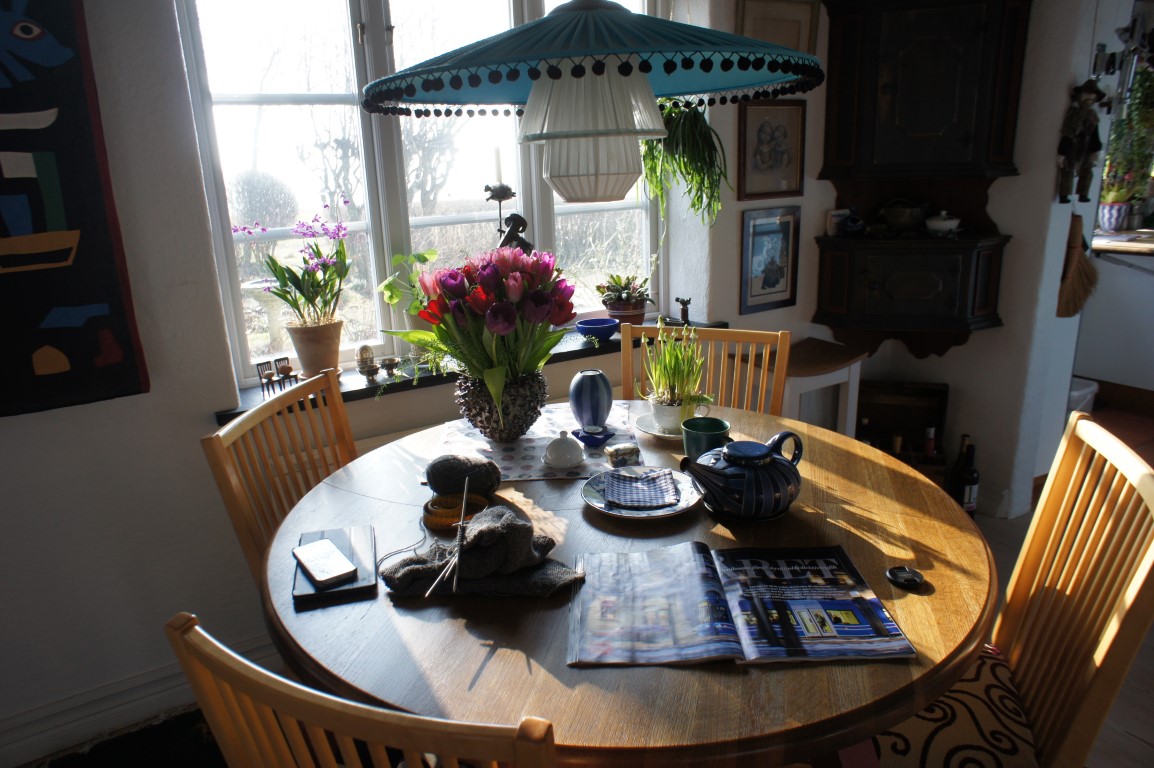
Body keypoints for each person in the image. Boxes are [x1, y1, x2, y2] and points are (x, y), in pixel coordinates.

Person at [1057, 79, 1107, 203]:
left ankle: (1083, 194)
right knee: (1068, 169)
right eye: (1086, 96)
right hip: (1073, 144)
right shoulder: (1074, 112)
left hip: (1087, 145)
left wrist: (1096, 149)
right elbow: (1068, 132)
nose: (1089, 100)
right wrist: (1062, 151)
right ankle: (1064, 195)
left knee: (1087, 170)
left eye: (1092, 98)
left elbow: (1095, 133)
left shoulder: (1092, 115)